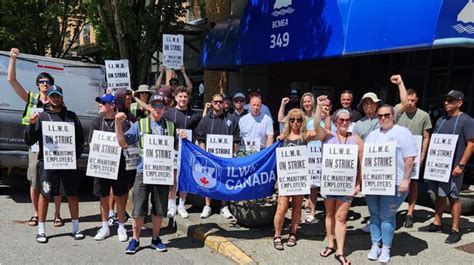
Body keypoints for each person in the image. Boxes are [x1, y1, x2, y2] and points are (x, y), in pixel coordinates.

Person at [115, 94, 186, 254]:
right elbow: (122, 143)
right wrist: (118, 124)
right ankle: (135, 239)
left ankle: (155, 239)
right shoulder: (141, 124)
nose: (158, 109)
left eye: (161, 106)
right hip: (142, 173)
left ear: (165, 108)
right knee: (138, 209)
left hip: (162, 174)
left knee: (159, 209)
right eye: (154, 106)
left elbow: (176, 148)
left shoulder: (170, 126)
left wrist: (183, 138)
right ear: (149, 108)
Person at [7, 47, 64, 228]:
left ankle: (57, 215)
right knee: (34, 181)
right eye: (41, 81)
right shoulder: (31, 99)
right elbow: (12, 80)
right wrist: (12, 59)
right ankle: (36, 214)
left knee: (55, 182)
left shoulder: (58, 101)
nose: (44, 84)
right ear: (37, 85)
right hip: (35, 148)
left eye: (47, 81)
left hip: (54, 148)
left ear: (51, 84)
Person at [24, 86, 85, 243]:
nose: (55, 98)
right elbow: (30, 140)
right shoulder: (42, 116)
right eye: (52, 96)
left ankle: (75, 228)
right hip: (48, 163)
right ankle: (42, 230)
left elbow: (80, 140)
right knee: (45, 195)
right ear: (49, 97)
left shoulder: (72, 116)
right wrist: (31, 125)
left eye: (58, 96)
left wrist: (73, 157)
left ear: (62, 97)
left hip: (68, 163)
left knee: (72, 195)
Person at [353, 75, 408, 233]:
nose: (368, 106)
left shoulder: (385, 117)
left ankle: (386, 222)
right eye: (365, 103)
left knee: (386, 198)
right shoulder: (358, 125)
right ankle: (374, 222)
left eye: (371, 103)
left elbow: (404, 103)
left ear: (377, 104)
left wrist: (400, 83)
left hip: (387, 167)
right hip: (369, 167)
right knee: (372, 199)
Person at [419, 90, 474, 244]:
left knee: (454, 197)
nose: (446, 103)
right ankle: (437, 223)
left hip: (454, 167)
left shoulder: (466, 120)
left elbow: (471, 144)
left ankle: (455, 229)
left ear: (459, 102)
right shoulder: (441, 120)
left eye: (450, 100)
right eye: (445, 100)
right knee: (439, 195)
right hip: (438, 166)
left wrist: (461, 165)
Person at [364, 104, 417, 263]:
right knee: (374, 214)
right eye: (380, 116)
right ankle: (375, 244)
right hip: (373, 183)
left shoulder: (403, 133)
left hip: (394, 183)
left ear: (393, 116)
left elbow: (409, 160)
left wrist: (406, 180)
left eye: (386, 115)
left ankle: (386, 247)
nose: (383, 118)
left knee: (387, 216)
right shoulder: (372, 135)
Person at [272, 104, 326, 251]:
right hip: (286, 179)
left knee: (297, 207)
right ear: (288, 121)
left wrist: (320, 109)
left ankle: (293, 233)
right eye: (292, 120)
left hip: (300, 178)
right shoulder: (283, 137)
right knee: (282, 208)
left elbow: (319, 129)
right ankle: (277, 235)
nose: (295, 122)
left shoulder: (305, 136)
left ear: (302, 122)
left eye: (298, 120)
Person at [319, 108, 363, 265]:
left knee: (341, 217)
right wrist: (319, 108)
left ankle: (340, 251)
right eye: (340, 120)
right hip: (329, 183)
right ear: (336, 121)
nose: (344, 123)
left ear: (350, 121)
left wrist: (359, 183)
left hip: (347, 186)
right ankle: (330, 244)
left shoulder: (356, 139)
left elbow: (362, 163)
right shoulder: (328, 136)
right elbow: (316, 126)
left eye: (347, 120)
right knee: (329, 214)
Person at [89, 94, 130, 242]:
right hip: (101, 165)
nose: (100, 105)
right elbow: (92, 144)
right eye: (99, 102)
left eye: (103, 103)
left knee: (119, 196)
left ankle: (121, 226)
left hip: (119, 166)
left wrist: (119, 124)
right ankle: (105, 226)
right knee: (103, 196)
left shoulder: (124, 122)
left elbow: (124, 143)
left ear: (112, 105)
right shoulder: (96, 123)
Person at [195, 94, 240, 218]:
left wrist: (233, 154)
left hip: (225, 158)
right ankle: (207, 206)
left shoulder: (230, 118)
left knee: (223, 180)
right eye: (216, 102)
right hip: (209, 157)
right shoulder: (206, 120)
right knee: (207, 180)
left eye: (220, 102)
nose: (218, 104)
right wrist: (204, 155)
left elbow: (236, 138)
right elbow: (200, 138)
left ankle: (224, 206)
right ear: (212, 103)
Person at [164, 86, 202, 218]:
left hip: (187, 151)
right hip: (172, 150)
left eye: (185, 96)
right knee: (173, 178)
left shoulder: (195, 115)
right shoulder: (168, 114)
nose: (182, 99)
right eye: (180, 96)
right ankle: (171, 205)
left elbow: (198, 134)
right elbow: (164, 132)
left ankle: (181, 205)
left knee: (184, 178)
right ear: (175, 98)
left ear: (188, 98)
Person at [396, 88, 432, 228]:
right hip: (399, 154)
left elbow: (426, 137)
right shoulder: (398, 115)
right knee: (397, 182)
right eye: (407, 100)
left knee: (413, 184)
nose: (410, 103)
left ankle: (410, 212)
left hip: (415, 154)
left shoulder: (423, 116)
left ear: (417, 100)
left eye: (412, 100)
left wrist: (423, 155)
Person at [107, 88, 136, 225]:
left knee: (126, 187)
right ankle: (111, 213)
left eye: (130, 98)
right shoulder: (115, 115)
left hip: (130, 158)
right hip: (117, 157)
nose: (129, 101)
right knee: (115, 188)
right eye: (127, 98)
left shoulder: (132, 116)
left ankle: (121, 212)